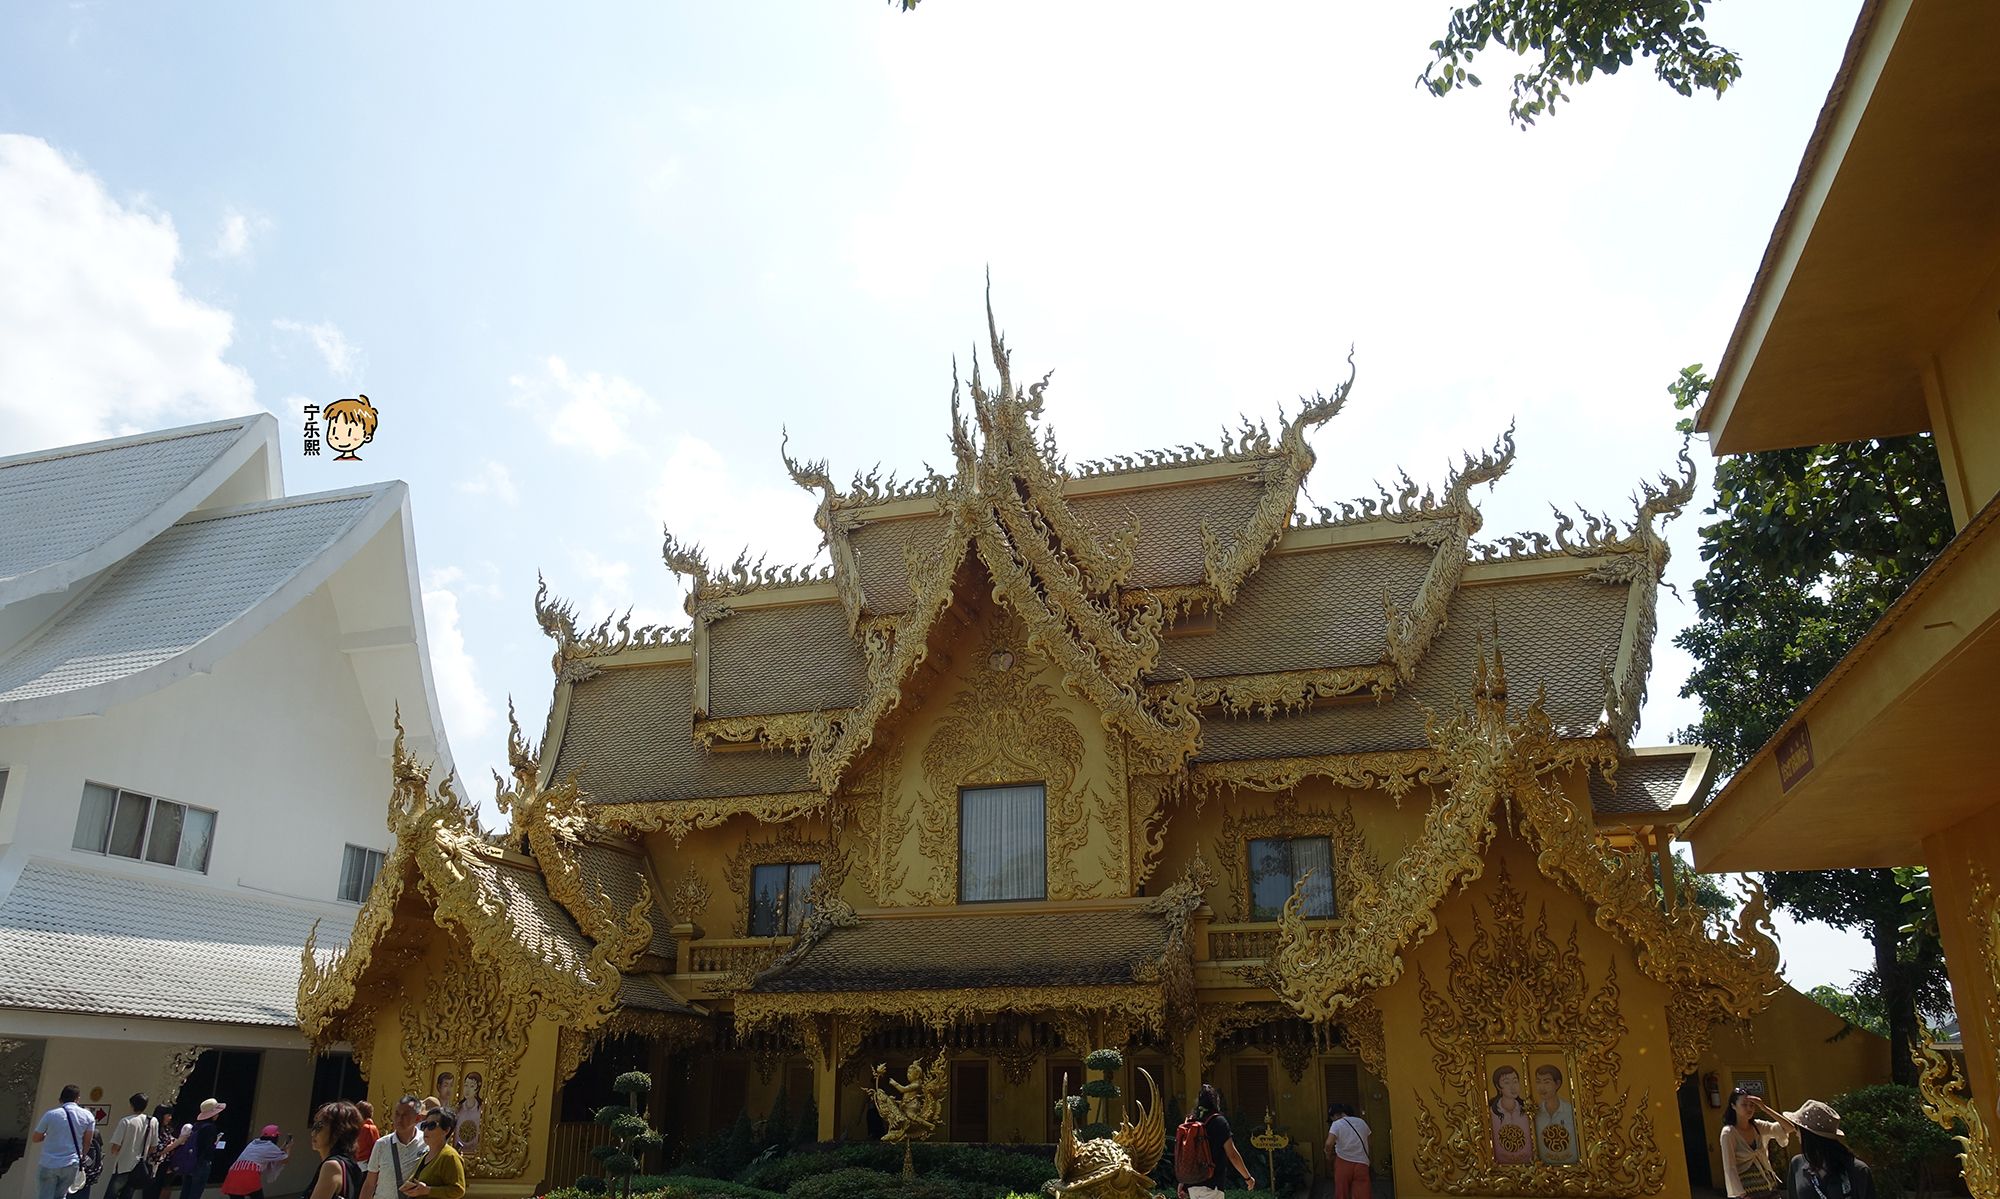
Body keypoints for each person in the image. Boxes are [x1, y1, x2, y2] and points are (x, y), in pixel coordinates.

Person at [1784, 1100, 1875, 1199]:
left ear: (1810, 1135)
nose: (1796, 1133)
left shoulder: (1858, 1170)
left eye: (1798, 1128)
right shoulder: (1797, 1164)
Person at [1186, 1083, 1257, 1199]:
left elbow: (1188, 1154)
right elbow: (1232, 1154)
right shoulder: (1219, 1122)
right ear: (1215, 1102)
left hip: (1192, 1186)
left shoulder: (1192, 1121)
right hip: (1212, 1185)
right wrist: (1248, 1178)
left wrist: (1182, 1183)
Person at [1721, 1090, 1795, 1198]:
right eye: (1744, 1105)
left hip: (1768, 1185)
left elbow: (1790, 1128)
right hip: (1747, 1189)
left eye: (1751, 1105)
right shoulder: (1729, 1133)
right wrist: (1742, 1195)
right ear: (1733, 1106)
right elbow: (1730, 1167)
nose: (1749, 1108)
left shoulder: (1758, 1126)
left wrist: (1764, 1107)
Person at [29, 1084, 97, 1199]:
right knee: (61, 1196)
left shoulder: (51, 1114)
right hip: (71, 1163)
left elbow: (36, 1138)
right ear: (77, 1098)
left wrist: (48, 1135)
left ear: (60, 1099)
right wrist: (83, 1156)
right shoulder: (88, 1116)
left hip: (49, 1162)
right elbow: (87, 1141)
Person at [356, 1098, 425, 1199]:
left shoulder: (426, 1143)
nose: (399, 1119)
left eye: (405, 1115)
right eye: (397, 1114)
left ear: (418, 1118)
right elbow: (370, 1183)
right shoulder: (382, 1144)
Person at [165, 1099, 227, 1199]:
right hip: (202, 1163)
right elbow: (207, 1147)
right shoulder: (210, 1128)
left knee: (185, 1191)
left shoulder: (196, 1125)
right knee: (195, 1193)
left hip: (189, 1162)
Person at [396, 1110, 464, 1199]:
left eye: (432, 1126)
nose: (426, 1130)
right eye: (424, 1125)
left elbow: (458, 1190)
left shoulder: (450, 1156)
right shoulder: (425, 1155)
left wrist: (428, 1190)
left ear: (446, 1130)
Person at [300, 1103, 363, 1199]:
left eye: (320, 1125)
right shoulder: (351, 1166)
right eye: (314, 1125)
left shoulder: (331, 1166)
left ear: (338, 1130)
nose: (313, 1132)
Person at [106, 1094, 159, 1199]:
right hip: (138, 1167)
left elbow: (115, 1147)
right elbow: (153, 1147)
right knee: (128, 1195)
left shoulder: (126, 1121)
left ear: (132, 1105)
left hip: (123, 1165)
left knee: (111, 1195)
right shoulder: (153, 1121)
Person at [1531, 1065, 1579, 1166]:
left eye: (1547, 1082)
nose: (1541, 1087)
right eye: (1538, 1082)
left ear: (1557, 1084)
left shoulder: (1571, 1111)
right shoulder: (1534, 1113)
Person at [224, 1127, 291, 1199]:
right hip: (248, 1175)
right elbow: (285, 1160)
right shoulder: (270, 1146)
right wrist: (289, 1148)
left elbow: (275, 1154)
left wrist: (284, 1145)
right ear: (275, 1137)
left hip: (232, 1174)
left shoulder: (253, 1143)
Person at [1324, 1102, 1371, 1199]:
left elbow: (1329, 1144)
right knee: (1362, 1194)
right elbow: (1369, 1141)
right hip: (1362, 1162)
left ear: (1335, 1115)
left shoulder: (1336, 1124)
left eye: (1331, 1119)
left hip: (1343, 1162)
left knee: (1342, 1193)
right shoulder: (1361, 1122)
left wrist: (1328, 1155)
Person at [1488, 1066, 1533, 1165]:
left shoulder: (1528, 1110)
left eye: (1515, 1081)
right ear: (1498, 1086)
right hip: (1500, 1167)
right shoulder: (1491, 1113)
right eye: (1507, 1082)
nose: (1513, 1087)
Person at [145, 1113, 180, 1199]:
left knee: (159, 1189)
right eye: (168, 1115)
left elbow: (171, 1140)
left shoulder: (167, 1129)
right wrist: (177, 1142)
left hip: (165, 1164)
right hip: (153, 1165)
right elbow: (158, 1150)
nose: (170, 1118)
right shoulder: (155, 1130)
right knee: (151, 1190)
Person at [450, 1076, 480, 1156]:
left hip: (474, 1151)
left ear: (477, 1089)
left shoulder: (481, 1109)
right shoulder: (458, 1108)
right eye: (466, 1085)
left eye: (472, 1086)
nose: (467, 1089)